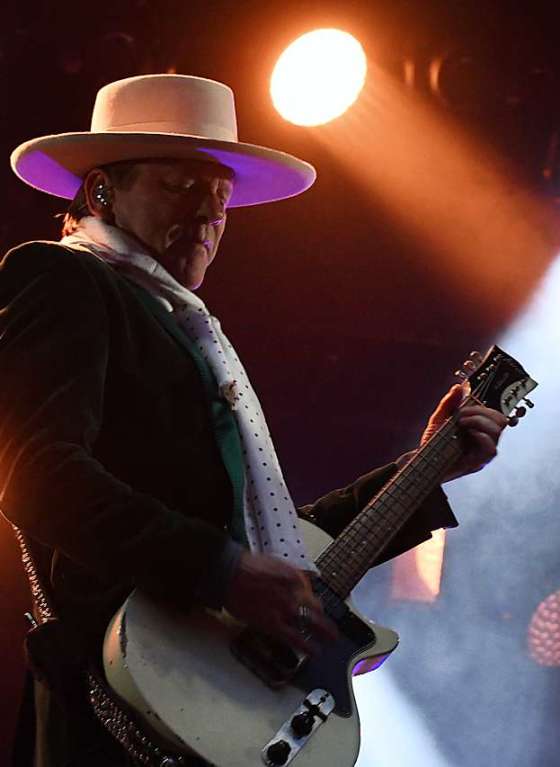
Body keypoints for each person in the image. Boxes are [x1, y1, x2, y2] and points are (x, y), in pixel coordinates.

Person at [0, 74, 508, 766]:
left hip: (190, 699)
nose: (211, 211)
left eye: (222, 195)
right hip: (112, 705)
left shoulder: (190, 327)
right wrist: (224, 569)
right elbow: (38, 476)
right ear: (100, 191)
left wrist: (425, 467)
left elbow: (281, 551)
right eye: (182, 185)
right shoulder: (65, 279)